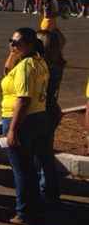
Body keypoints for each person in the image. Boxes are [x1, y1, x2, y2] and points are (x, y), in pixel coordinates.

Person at [1, 28, 55, 225]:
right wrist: (13, 53)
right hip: (38, 116)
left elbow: (23, 99)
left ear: (30, 44)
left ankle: (23, 212)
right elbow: (7, 71)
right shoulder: (39, 62)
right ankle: (34, 206)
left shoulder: (25, 66)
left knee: (21, 170)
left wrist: (13, 129)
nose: (13, 45)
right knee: (30, 168)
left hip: (22, 119)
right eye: (11, 41)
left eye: (17, 43)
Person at [36, 29, 65, 205]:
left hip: (42, 111)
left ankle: (45, 190)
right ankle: (50, 190)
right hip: (52, 110)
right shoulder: (57, 64)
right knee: (46, 153)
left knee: (40, 155)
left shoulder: (44, 68)